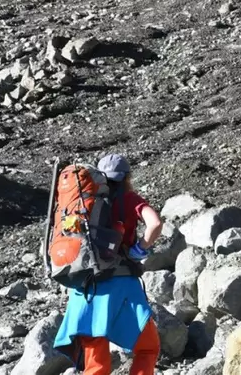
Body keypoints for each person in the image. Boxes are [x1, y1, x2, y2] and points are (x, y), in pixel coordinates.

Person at [54, 154, 163, 375]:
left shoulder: (83, 203)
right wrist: (139, 249)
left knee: (95, 364)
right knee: (148, 348)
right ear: (126, 177)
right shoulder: (129, 198)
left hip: (84, 287)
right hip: (122, 286)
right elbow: (155, 224)